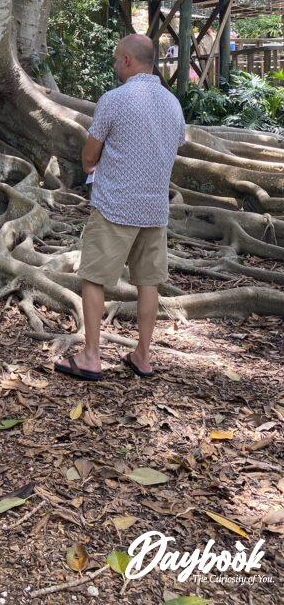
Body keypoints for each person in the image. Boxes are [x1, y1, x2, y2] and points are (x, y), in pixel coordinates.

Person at [55, 34, 186, 381]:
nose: (115, 65)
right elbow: (176, 145)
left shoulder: (115, 99)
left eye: (116, 59)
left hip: (115, 206)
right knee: (148, 283)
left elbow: (89, 154)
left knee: (94, 279)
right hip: (155, 210)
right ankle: (142, 356)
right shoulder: (173, 103)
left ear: (127, 60)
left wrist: (90, 166)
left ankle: (91, 356)